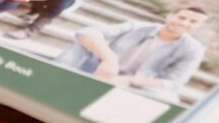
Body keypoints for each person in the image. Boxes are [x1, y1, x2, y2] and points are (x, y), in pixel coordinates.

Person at [54, 7, 209, 95]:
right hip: (99, 68)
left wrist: (129, 80)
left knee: (165, 95)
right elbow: (88, 31)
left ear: (198, 27)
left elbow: (174, 83)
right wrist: (109, 59)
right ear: (170, 16)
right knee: (82, 44)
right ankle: (54, 78)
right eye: (181, 17)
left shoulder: (193, 49)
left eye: (193, 21)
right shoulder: (138, 27)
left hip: (134, 84)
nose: (184, 23)